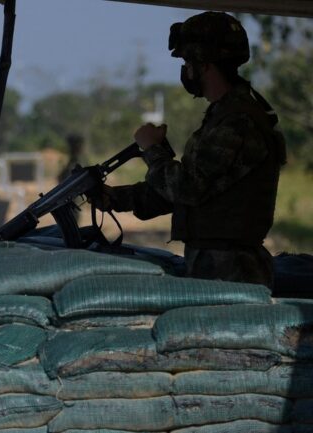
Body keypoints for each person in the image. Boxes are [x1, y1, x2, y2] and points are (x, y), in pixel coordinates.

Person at [93, 11, 287, 288]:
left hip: (231, 269)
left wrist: (151, 148)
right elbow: (187, 195)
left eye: (187, 61)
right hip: (217, 262)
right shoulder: (225, 114)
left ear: (204, 64)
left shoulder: (238, 121)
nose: (185, 70)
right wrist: (115, 198)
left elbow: (188, 188)